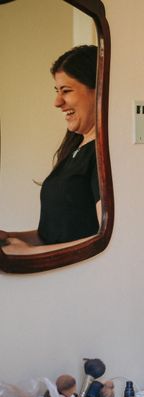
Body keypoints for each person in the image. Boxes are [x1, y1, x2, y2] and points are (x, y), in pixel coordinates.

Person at [1, 45, 100, 255]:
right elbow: (53, 235)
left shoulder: (102, 155)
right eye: (57, 91)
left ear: (98, 89)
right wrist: (12, 237)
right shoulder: (74, 150)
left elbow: (102, 241)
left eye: (66, 91)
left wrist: (27, 253)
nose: (57, 102)